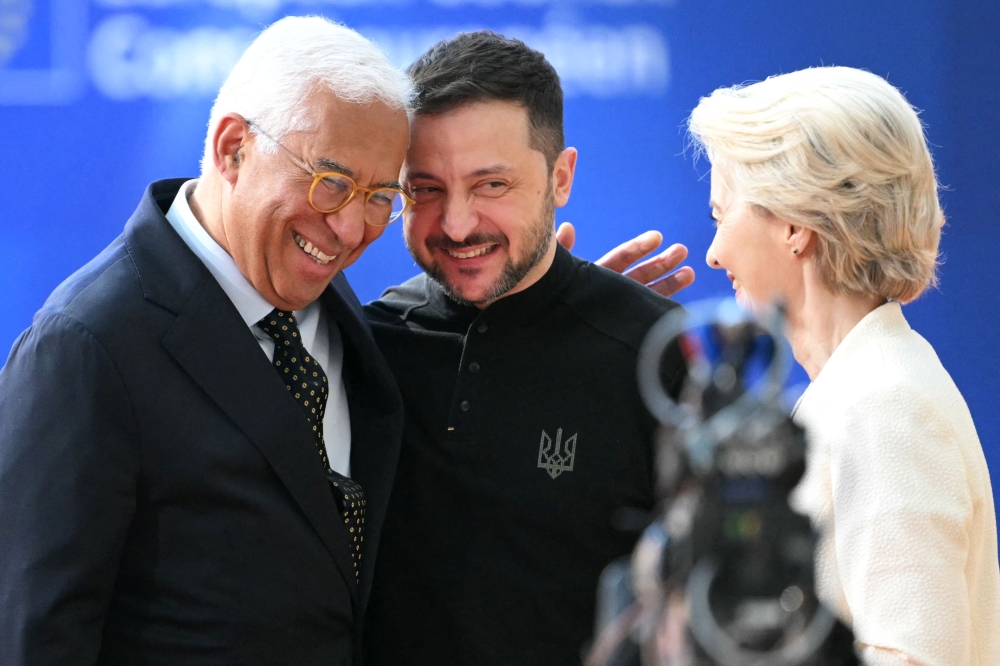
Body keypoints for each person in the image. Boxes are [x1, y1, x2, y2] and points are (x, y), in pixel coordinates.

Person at [0, 16, 413, 664]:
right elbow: (34, 638)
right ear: (232, 148)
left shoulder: (338, 314)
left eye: (381, 196)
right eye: (331, 182)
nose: (353, 226)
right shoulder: (86, 347)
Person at [362, 31, 688, 666]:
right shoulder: (365, 343)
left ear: (560, 178)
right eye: (425, 189)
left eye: (491, 185)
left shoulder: (655, 356)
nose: (457, 224)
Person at [689, 66, 1000, 664]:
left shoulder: (888, 405)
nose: (713, 252)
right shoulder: (859, 387)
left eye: (720, 215)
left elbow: (912, 657)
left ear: (794, 224)